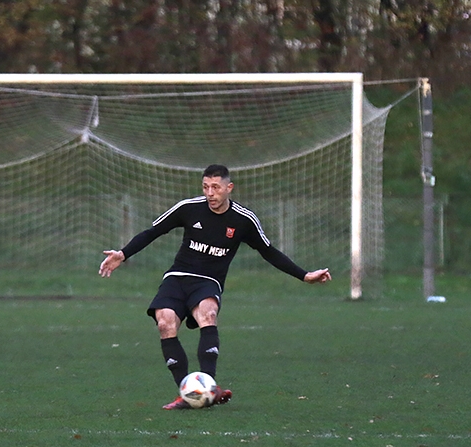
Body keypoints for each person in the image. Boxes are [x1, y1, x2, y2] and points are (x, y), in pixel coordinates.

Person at [99, 164, 331, 409]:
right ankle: (187, 395)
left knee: (207, 314)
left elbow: (269, 252)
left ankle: (210, 386)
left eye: (216, 187)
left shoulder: (244, 219)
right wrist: (122, 255)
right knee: (165, 323)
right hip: (177, 277)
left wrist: (304, 276)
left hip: (208, 281)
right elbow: (152, 232)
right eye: (206, 187)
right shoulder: (188, 208)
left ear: (229, 188)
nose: (210, 193)